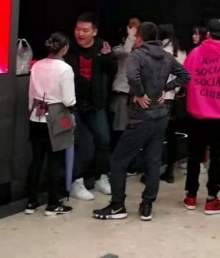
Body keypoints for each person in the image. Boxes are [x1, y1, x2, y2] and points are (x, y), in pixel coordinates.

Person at [94, 22, 190, 221]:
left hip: (140, 116)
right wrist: (166, 88)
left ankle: (117, 205)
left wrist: (138, 93)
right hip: (161, 115)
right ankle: (147, 206)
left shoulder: (137, 55)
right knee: (153, 161)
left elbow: (131, 75)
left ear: (139, 37)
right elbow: (185, 75)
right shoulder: (166, 56)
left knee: (118, 160)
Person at [183, 18, 220, 215]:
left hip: (197, 114)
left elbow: (185, 80)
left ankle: (191, 196)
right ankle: (211, 199)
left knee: (194, 156)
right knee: (217, 159)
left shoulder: (194, 53)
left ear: (207, 34)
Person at [63, 13, 117, 201]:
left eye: (85, 30)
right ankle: (76, 182)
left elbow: (112, 71)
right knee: (75, 142)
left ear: (94, 32)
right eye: (78, 29)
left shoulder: (102, 47)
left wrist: (108, 57)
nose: (80, 33)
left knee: (104, 139)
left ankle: (101, 177)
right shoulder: (68, 48)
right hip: (73, 103)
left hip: (96, 103)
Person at [25, 32, 75, 216]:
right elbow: (69, 99)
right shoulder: (65, 69)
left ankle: (31, 201)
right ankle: (53, 203)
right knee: (56, 159)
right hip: (57, 113)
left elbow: (31, 94)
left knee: (36, 159)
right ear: (64, 48)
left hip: (36, 114)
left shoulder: (37, 65)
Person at [159, 24, 187, 183]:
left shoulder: (161, 50)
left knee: (156, 136)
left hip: (161, 97)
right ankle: (170, 170)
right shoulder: (181, 50)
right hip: (176, 99)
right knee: (172, 136)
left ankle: (151, 172)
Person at [110, 18, 141, 147]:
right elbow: (125, 53)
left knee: (135, 128)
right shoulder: (118, 49)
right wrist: (130, 37)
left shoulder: (140, 51)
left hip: (137, 94)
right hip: (122, 91)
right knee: (120, 126)